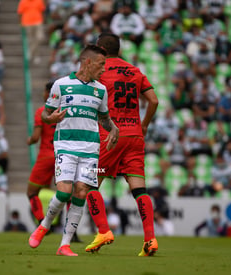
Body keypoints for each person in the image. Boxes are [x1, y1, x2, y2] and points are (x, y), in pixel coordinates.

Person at [28, 45, 119, 256]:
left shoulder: (101, 90)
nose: (104, 69)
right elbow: (45, 114)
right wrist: (51, 119)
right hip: (66, 145)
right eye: (101, 64)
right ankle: (44, 225)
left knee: (81, 192)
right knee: (63, 192)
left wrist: (114, 129)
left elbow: (104, 119)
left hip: (90, 148)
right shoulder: (61, 85)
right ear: (87, 62)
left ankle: (64, 245)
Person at [85, 33, 159, 256]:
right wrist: (144, 124)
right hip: (135, 136)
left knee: (89, 182)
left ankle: (104, 231)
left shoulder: (100, 70)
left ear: (101, 49)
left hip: (110, 137)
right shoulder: (135, 71)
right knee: (139, 189)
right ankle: (150, 240)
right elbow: (154, 100)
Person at [26, 82, 56, 224]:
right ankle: (71, 232)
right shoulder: (65, 110)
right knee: (69, 195)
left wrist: (30, 140)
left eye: (44, 91)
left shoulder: (41, 111)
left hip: (46, 156)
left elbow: (36, 137)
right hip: (62, 156)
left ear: (49, 93)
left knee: (32, 192)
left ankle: (42, 223)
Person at [17, 0, 45, 65]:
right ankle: (36, 56)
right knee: (31, 40)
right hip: (27, 22)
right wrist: (20, 23)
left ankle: (30, 52)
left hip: (38, 21)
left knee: (40, 38)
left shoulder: (39, 1)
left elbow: (42, 10)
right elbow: (20, 13)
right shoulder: (23, 1)